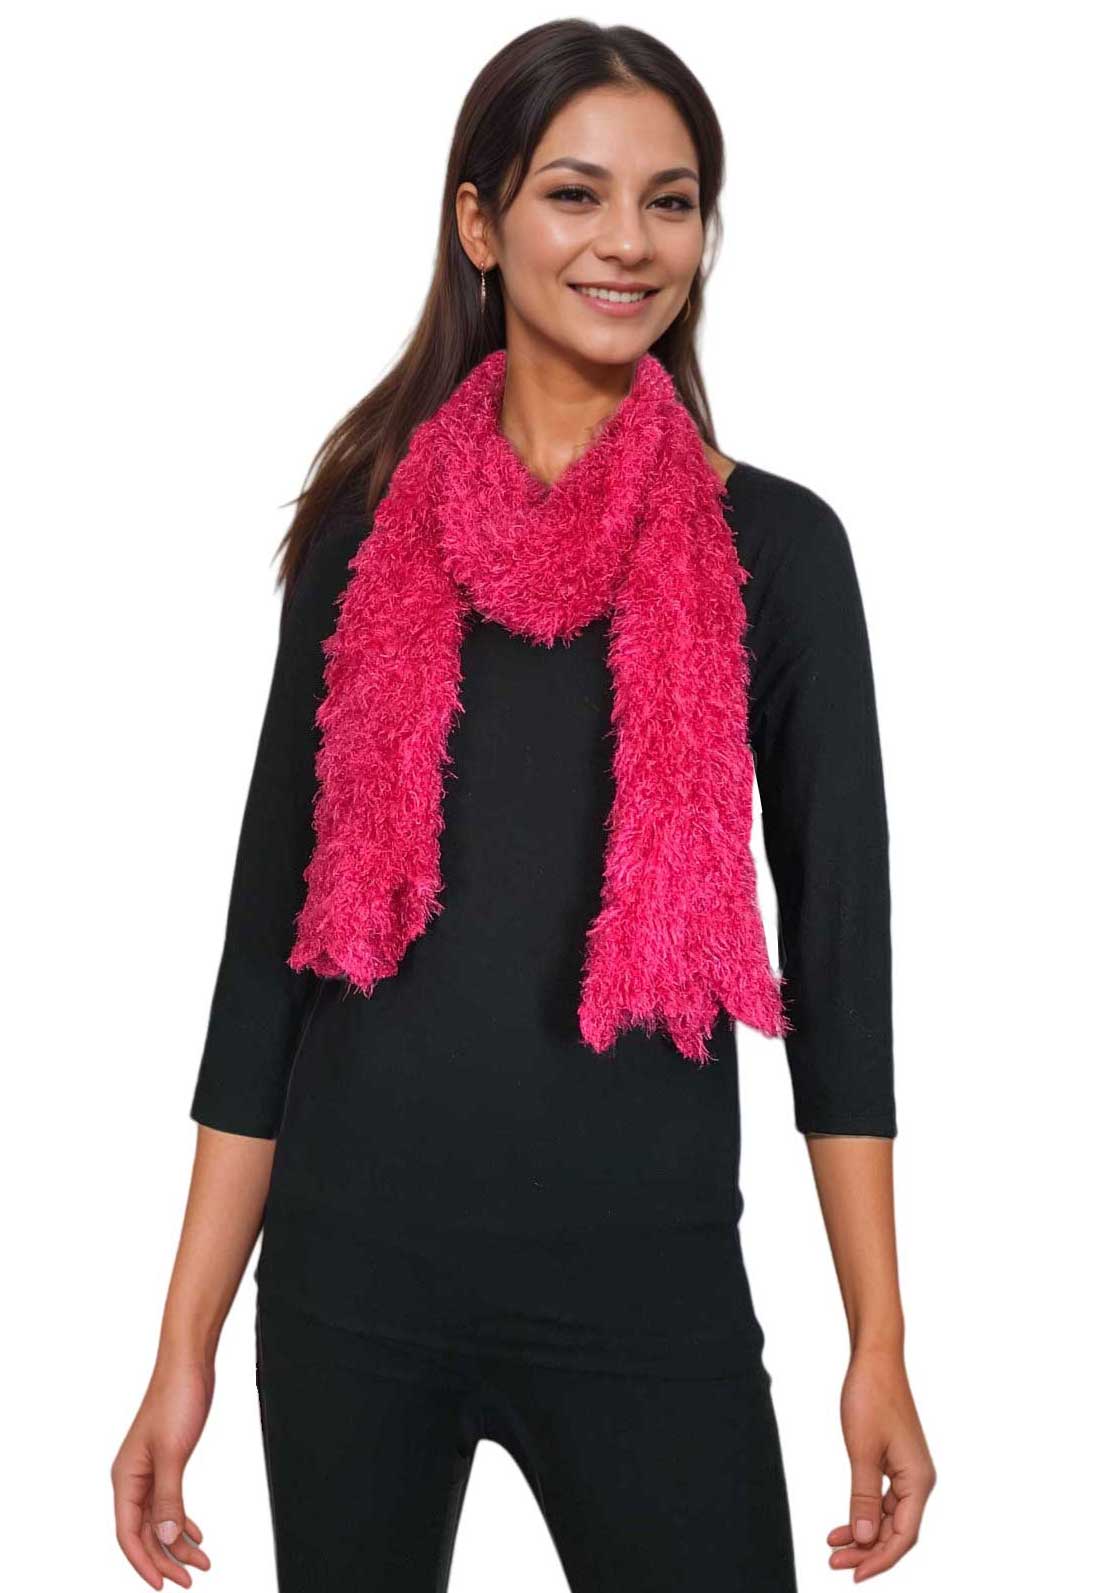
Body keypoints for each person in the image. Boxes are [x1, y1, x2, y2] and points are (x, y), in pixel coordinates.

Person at [111, 20, 935, 1592]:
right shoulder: (362, 536)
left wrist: (878, 1339)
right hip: (351, 1289)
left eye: (671, 201)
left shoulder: (779, 551)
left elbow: (842, 971)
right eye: (576, 193)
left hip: (647, 1291)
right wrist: (183, 1345)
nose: (629, 240)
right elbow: (266, 960)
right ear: (481, 225)